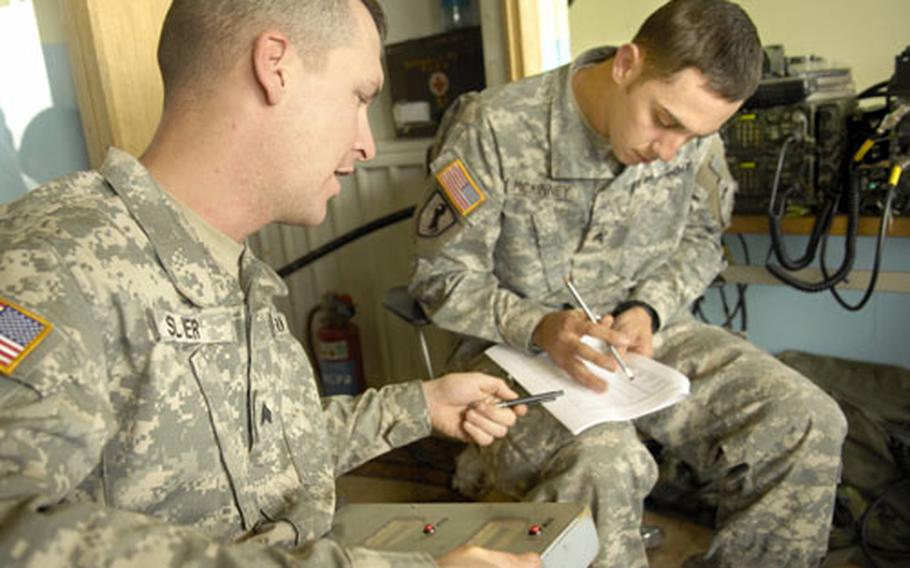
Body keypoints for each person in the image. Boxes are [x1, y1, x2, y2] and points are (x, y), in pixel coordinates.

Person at [0, 1, 541, 567]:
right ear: (275, 65)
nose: (367, 144)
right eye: (359, 97)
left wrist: (420, 406)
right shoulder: (50, 262)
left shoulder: (231, 271)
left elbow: (259, 459)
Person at [409, 0, 848, 566]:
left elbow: (700, 244)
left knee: (805, 418)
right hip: (513, 352)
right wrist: (539, 325)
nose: (669, 152)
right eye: (664, 122)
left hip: (642, 344)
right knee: (604, 457)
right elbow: (440, 278)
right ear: (626, 65)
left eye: (693, 136)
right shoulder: (493, 127)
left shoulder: (693, 139)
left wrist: (649, 310)